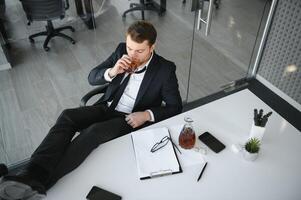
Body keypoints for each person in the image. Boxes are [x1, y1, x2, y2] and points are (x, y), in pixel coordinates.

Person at [0, 20, 182, 200]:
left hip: (129, 119)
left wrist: (146, 115)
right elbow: (91, 77)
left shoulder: (165, 69)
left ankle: (44, 182)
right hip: (107, 106)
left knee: (93, 132)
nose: (132, 55)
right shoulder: (121, 50)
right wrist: (112, 71)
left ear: (152, 47)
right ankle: (31, 172)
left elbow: (175, 106)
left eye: (139, 51)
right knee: (68, 116)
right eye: (130, 48)